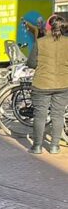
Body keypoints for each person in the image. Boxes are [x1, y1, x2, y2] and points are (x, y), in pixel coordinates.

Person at [28, 17, 68, 154]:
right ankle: (54, 146)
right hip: (63, 84)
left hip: (42, 84)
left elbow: (31, 63)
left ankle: (37, 147)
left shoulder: (40, 42)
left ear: (49, 27)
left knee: (40, 115)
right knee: (58, 115)